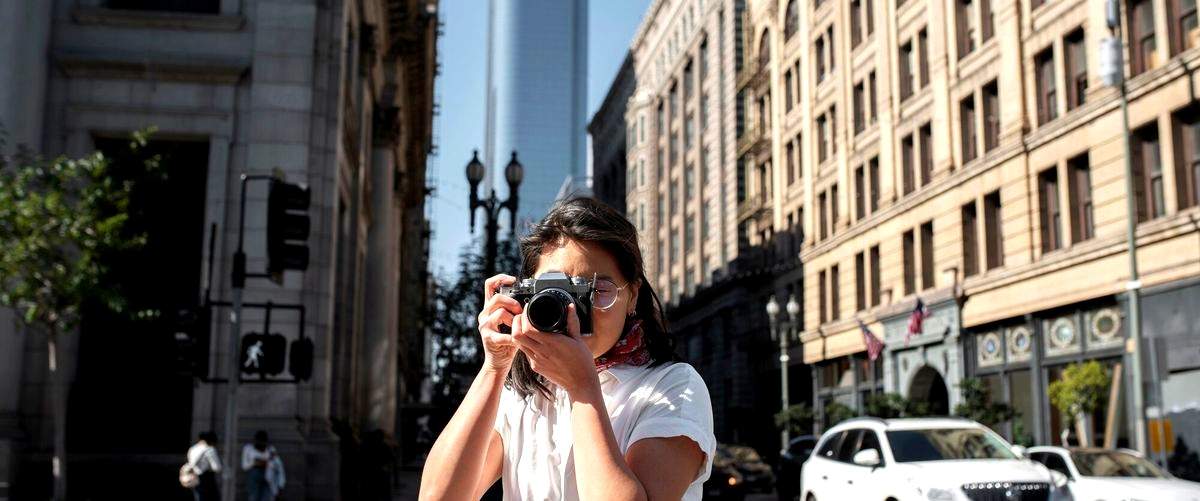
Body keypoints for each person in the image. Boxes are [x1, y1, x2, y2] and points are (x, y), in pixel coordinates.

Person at [420, 197, 716, 500]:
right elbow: (439, 497)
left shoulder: (674, 388)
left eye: (598, 290)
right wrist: (494, 367)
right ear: (527, 296)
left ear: (632, 297)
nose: (574, 308)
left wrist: (583, 389)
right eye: (557, 291)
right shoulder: (522, 394)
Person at [242, 430, 282, 501]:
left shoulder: (270, 449)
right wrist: (255, 463)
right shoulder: (248, 449)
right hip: (254, 477)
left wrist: (268, 461)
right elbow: (244, 466)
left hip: (268, 477)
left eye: (263, 443)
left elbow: (277, 466)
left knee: (266, 497)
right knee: (253, 497)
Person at [185, 431, 222, 501]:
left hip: (195, 477)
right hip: (207, 478)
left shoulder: (192, 449)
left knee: (199, 497)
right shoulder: (210, 449)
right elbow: (217, 467)